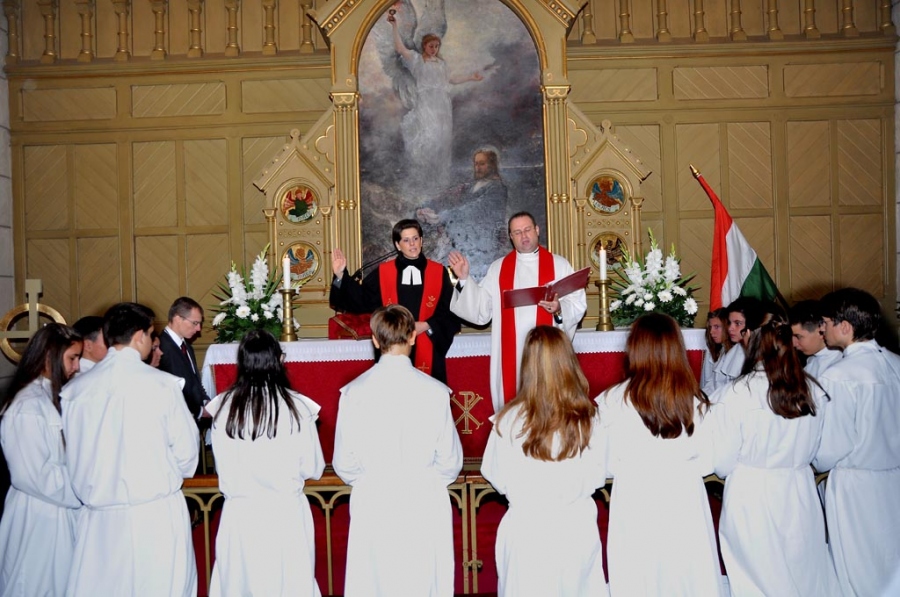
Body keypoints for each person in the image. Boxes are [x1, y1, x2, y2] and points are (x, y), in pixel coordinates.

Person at [61, 302, 200, 597]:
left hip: (99, 518)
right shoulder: (162, 385)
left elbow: (72, 455)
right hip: (156, 513)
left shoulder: (75, 391)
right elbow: (187, 456)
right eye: (151, 334)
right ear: (139, 336)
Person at [333, 304, 462, 597]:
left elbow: (344, 463)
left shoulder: (354, 393)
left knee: (376, 581)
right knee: (422, 580)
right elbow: (450, 462)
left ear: (375, 339)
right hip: (423, 499)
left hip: (375, 499)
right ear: (413, 336)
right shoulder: (434, 392)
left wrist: (373, 479)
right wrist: (423, 479)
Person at [711, 311, 838, 596]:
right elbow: (821, 449)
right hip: (799, 490)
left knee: (757, 577)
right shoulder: (812, 389)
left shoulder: (737, 393)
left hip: (752, 492)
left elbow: (722, 462)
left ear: (754, 348)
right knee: (803, 570)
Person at [596, 313, 721, 596]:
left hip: (636, 495)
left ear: (634, 348)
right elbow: (708, 460)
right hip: (683, 495)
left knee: (639, 574)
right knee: (685, 573)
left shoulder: (612, 401)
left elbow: (604, 463)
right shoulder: (696, 401)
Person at [481, 326, 607, 597]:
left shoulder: (507, 420)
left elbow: (496, 476)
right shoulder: (589, 418)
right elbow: (598, 475)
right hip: (574, 529)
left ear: (527, 365)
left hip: (528, 530)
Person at [206, 330, 325, 597]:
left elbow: (221, 464)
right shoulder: (296, 407)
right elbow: (313, 467)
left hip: (241, 515)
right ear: (279, 360)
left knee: (239, 584)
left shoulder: (223, 407)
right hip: (284, 514)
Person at [449, 211, 587, 412]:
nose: (524, 236)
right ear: (511, 237)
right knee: (514, 411)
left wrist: (559, 308)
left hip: (547, 353)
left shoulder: (559, 264)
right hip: (511, 356)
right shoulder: (499, 268)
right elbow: (481, 309)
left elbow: (577, 303)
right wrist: (464, 279)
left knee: (551, 405)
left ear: (537, 230)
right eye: (517, 232)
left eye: (527, 229)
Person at [813, 288, 900, 596]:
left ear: (845, 327)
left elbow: (832, 447)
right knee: (891, 560)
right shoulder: (895, 363)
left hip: (856, 485)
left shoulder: (840, 375)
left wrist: (812, 460)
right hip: (893, 480)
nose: (822, 330)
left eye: (825, 323)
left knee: (857, 565)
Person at [0, 324, 83, 596]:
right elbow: (32, 475)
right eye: (72, 358)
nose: (77, 367)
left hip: (59, 508)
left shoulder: (50, 395)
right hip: (38, 513)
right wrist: (82, 486)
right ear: (49, 357)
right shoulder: (27, 406)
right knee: (35, 584)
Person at [330, 219, 460, 383]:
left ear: (421, 241)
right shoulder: (384, 272)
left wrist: (427, 325)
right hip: (391, 344)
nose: (412, 244)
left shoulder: (438, 272)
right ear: (398, 245)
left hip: (428, 341)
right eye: (406, 240)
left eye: (415, 238)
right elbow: (361, 299)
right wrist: (341, 275)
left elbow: (450, 309)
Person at [388, 11, 482, 191]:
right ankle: (422, 178)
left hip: (442, 106)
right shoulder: (417, 60)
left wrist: (471, 77)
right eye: (431, 46)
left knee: (442, 140)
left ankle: (439, 183)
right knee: (428, 138)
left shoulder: (441, 64)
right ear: (424, 46)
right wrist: (394, 25)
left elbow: (452, 80)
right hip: (427, 103)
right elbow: (400, 48)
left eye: (437, 46)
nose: (434, 49)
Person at [417, 147, 509, 277]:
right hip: (460, 248)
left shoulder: (497, 189)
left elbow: (474, 209)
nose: (478, 168)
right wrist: (426, 209)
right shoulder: (469, 186)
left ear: (492, 165)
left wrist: (442, 217)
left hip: (482, 252)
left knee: (470, 284)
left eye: (482, 164)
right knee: (447, 280)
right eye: (476, 164)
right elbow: (446, 197)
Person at [158, 296, 210, 422]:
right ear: (178, 319)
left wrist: (205, 401)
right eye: (195, 323)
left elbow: (194, 381)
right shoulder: (161, 347)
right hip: (177, 419)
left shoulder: (186, 346)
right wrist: (199, 411)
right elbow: (173, 390)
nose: (198, 329)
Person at [711, 297, 768, 398]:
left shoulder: (760, 355)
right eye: (729, 323)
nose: (730, 328)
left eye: (738, 323)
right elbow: (713, 384)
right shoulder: (730, 350)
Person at [789, 299, 841, 378]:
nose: (793, 343)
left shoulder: (836, 366)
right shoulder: (812, 359)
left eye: (798, 336)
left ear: (821, 331)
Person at [699, 307, 731, 395]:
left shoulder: (735, 352)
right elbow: (710, 382)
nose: (711, 332)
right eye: (710, 327)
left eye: (716, 327)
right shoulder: (718, 349)